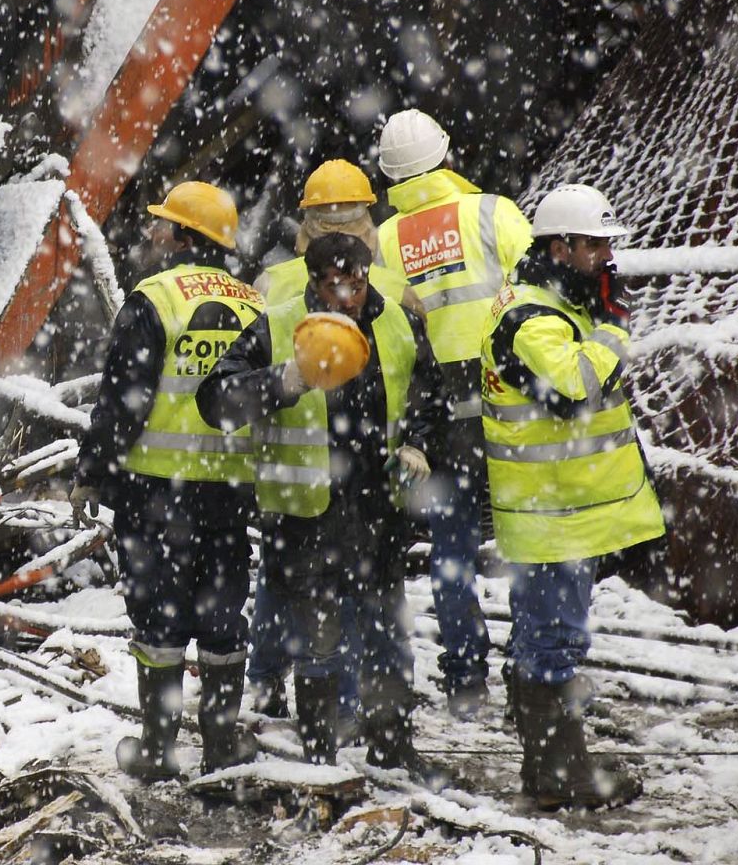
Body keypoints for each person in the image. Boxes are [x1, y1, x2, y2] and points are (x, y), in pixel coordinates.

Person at [197, 232, 448, 784]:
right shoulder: (279, 325)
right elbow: (216, 400)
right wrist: (284, 380)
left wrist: (418, 442)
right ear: (313, 283)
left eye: (358, 283)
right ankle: (319, 759)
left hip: (378, 509)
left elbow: (431, 393)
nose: (350, 297)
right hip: (305, 514)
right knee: (319, 642)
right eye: (337, 286)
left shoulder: (396, 321)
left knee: (387, 635)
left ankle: (392, 746)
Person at [69, 181, 265, 780]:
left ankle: (157, 749)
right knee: (223, 619)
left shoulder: (154, 298)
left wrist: (92, 474)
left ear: (185, 235)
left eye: (166, 225)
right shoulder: (255, 304)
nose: (156, 234)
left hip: (155, 495)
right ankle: (223, 744)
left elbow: (123, 401)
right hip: (228, 493)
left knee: (158, 622)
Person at [480, 183, 664, 809]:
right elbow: (575, 389)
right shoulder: (533, 318)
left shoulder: (555, 305)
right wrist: (613, 330)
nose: (607, 256)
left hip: (556, 514)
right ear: (561, 246)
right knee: (554, 641)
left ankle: (550, 767)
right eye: (596, 244)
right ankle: (561, 777)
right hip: (552, 516)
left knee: (546, 636)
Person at [246, 159, 420, 722]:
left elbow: (421, 380)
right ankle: (344, 716)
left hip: (320, 490)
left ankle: (277, 683)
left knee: (295, 591)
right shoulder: (392, 285)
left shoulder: (274, 284)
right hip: (343, 487)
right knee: (360, 608)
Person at [374, 109, 532, 717]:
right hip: (512, 406)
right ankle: (530, 678)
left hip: (441, 418)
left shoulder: (385, 240)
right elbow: (541, 294)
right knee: (525, 544)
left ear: (389, 176)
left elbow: (395, 335)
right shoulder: (492, 212)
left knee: (451, 552)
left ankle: (466, 679)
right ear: (446, 154)